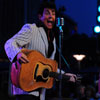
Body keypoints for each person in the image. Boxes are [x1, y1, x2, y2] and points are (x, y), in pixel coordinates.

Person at [4, 1, 77, 100]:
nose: (51, 16)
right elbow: (10, 43)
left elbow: (48, 66)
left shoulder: (53, 40)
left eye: (53, 13)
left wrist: (64, 75)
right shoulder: (31, 29)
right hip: (25, 88)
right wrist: (17, 54)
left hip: (39, 91)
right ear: (39, 16)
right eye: (47, 13)